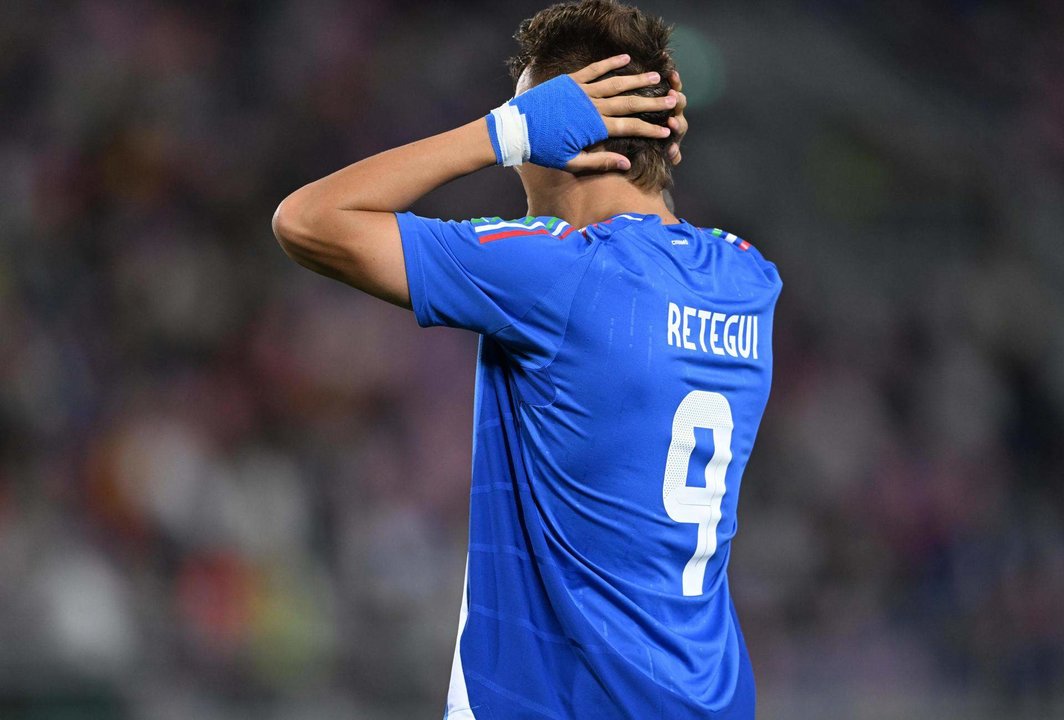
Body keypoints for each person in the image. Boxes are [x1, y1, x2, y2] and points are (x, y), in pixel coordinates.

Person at [272, 1, 781, 717]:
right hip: (711, 699)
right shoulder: (749, 281)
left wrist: (502, 132)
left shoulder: (557, 274)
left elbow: (308, 222)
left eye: (540, 122)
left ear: (563, 138)